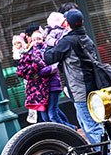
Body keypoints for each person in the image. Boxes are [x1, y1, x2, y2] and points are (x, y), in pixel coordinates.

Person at [43, 9, 105, 145]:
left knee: (91, 126)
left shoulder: (68, 41)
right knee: (87, 124)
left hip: (80, 91)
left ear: (67, 23)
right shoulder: (86, 38)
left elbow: (49, 57)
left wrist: (47, 41)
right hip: (92, 87)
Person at [16, 30, 54, 122]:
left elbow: (43, 65)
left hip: (47, 85)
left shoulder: (48, 50)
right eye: (34, 39)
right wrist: (32, 73)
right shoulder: (29, 52)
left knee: (52, 113)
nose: (37, 41)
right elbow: (22, 70)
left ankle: (69, 129)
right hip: (37, 87)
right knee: (46, 113)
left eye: (39, 39)